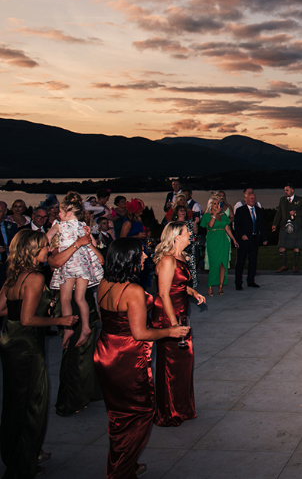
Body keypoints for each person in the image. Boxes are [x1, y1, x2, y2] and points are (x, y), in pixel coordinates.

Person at [94, 238, 189, 479]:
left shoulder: (104, 283)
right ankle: (120, 471)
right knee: (140, 413)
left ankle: (126, 460)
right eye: (142, 254)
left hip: (105, 350)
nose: (146, 258)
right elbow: (140, 333)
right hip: (126, 357)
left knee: (118, 415)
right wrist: (170, 331)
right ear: (129, 259)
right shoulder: (132, 291)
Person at [0, 230, 79, 479]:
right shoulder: (34, 277)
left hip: (8, 339)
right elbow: (28, 319)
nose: (49, 249)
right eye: (45, 246)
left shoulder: (14, 274)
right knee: (32, 404)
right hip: (26, 347)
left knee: (14, 402)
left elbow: (3, 309)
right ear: (33, 250)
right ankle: (23, 465)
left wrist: (20, 310)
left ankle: (16, 453)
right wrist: (61, 320)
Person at [151, 222, 206, 427]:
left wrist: (193, 293)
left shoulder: (181, 257)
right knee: (170, 364)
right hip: (168, 316)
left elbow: (180, 285)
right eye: (186, 232)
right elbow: (164, 293)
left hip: (181, 313)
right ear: (176, 237)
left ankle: (182, 407)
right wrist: (173, 326)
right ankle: (168, 411)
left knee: (184, 361)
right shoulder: (167, 260)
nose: (190, 234)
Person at [46, 192, 104, 349]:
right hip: (83, 266)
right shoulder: (83, 226)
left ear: (68, 212)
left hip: (69, 265)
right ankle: (85, 327)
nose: (58, 214)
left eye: (60, 211)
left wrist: (46, 245)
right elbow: (92, 244)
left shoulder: (60, 225)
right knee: (80, 298)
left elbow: (47, 236)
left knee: (65, 298)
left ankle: (67, 329)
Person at [201, 194, 235, 295]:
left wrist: (233, 239)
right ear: (211, 205)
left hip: (223, 240)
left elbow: (227, 228)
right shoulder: (207, 216)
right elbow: (210, 225)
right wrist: (214, 215)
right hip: (213, 240)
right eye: (214, 204)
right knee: (214, 264)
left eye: (217, 203)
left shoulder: (224, 215)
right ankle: (209, 286)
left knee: (222, 264)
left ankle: (220, 286)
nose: (216, 205)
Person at [234, 192, 268, 290]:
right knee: (241, 262)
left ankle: (251, 281)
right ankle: (238, 283)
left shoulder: (258, 210)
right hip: (244, 240)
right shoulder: (240, 211)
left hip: (254, 239)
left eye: (254, 198)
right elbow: (237, 226)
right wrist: (242, 235)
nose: (253, 200)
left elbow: (262, 225)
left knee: (253, 261)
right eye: (251, 198)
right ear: (246, 200)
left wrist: (265, 238)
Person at [273, 184, 302, 273]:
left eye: (287, 190)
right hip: (284, 224)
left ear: (292, 190)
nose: (285, 192)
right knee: (281, 246)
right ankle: (284, 265)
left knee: (296, 246)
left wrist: (296, 213)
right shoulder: (282, 200)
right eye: (284, 190)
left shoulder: (300, 200)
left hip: (296, 224)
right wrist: (275, 224)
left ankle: (295, 266)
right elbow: (279, 213)